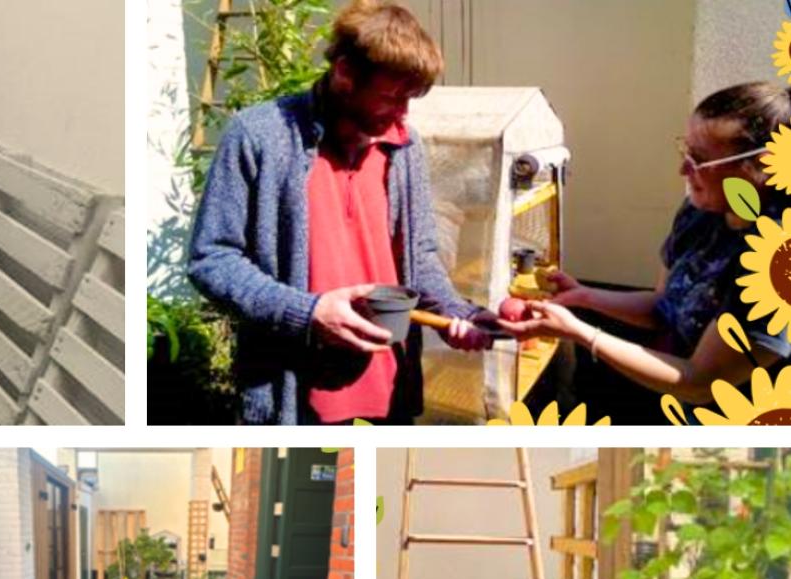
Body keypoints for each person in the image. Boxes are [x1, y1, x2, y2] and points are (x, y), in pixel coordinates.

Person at [187, 0, 494, 426]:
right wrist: (308, 312)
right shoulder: (258, 136)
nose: (403, 114)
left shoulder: (404, 147)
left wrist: (456, 312)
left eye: (410, 99)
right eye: (392, 97)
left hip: (390, 393)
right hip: (295, 401)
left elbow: (419, 256)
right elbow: (212, 258)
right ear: (346, 74)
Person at [500, 82, 791, 423]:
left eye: (700, 159)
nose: (683, 170)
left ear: (762, 166)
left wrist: (579, 332)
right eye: (685, 151)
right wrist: (585, 297)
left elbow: (701, 383)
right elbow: (663, 307)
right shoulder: (700, 211)